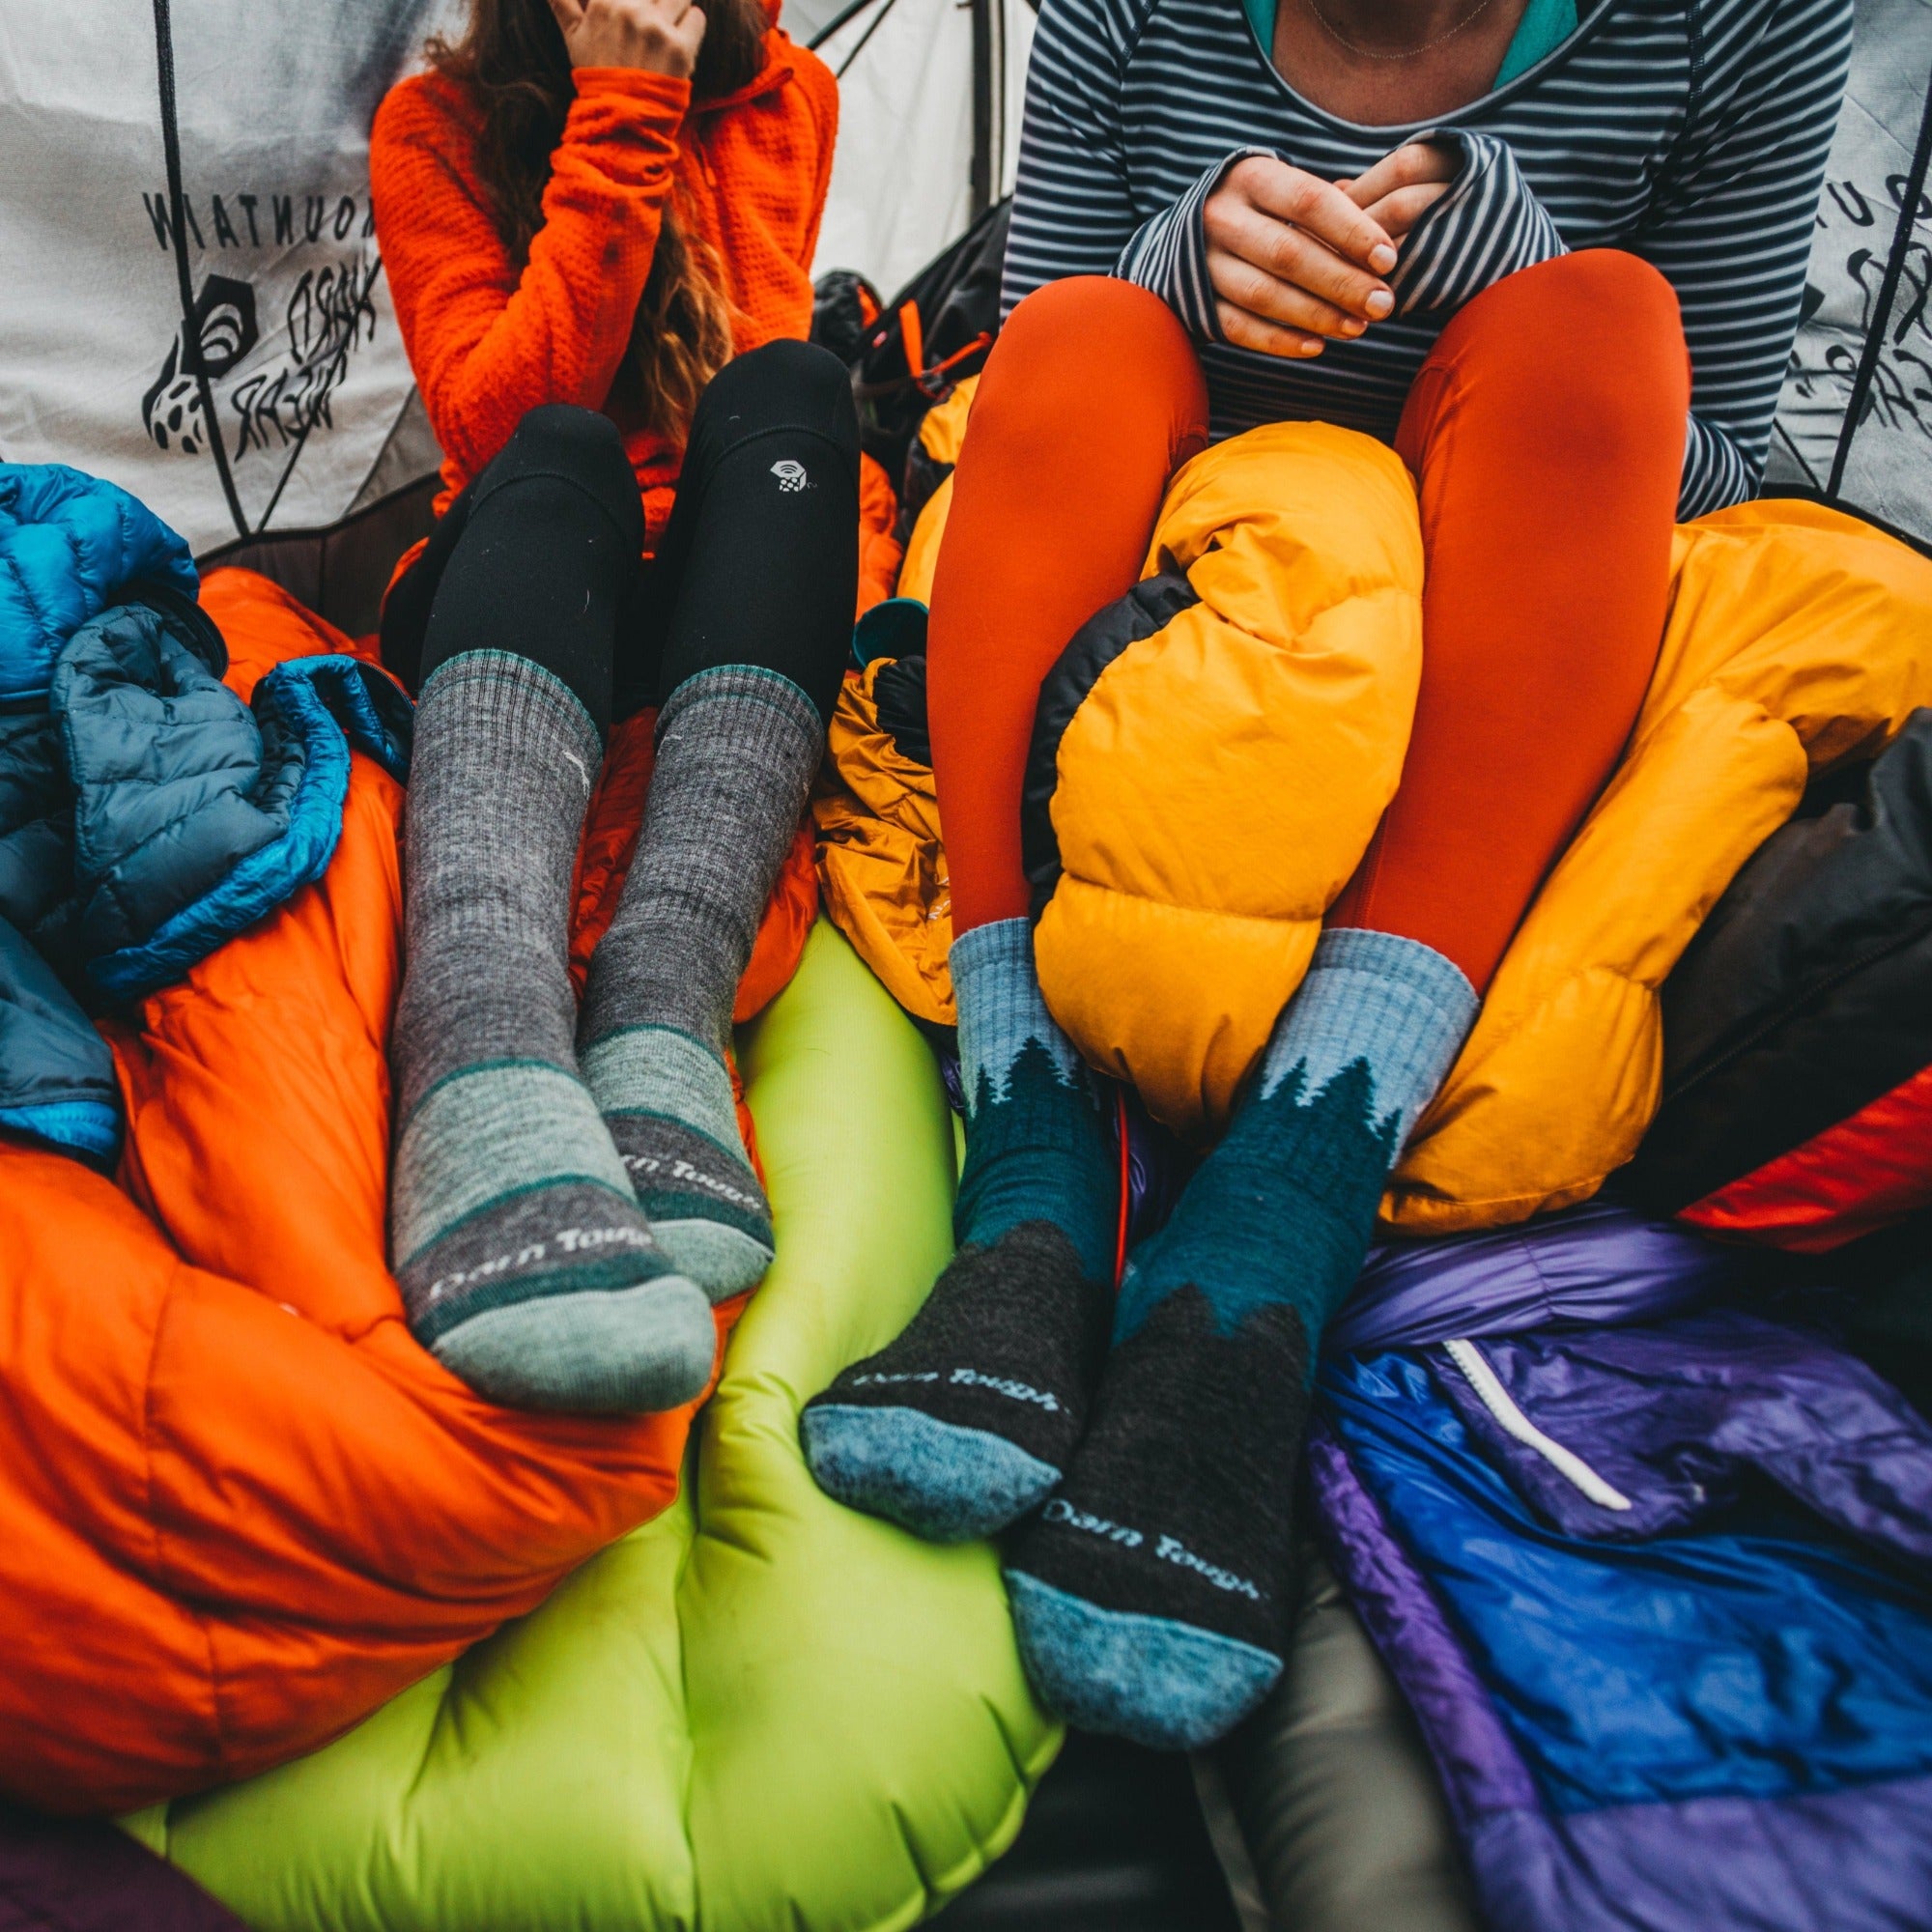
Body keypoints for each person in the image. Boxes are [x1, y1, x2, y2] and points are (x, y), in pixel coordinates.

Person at [803, 0, 1854, 1744]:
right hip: (1179, 644)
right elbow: (1019, 374)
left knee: (1603, 316)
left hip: (1498, 677)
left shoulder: (1737, 25)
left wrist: (1514, 264)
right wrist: (1184, 267)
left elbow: (1737, 477)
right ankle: (1035, 1155)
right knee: (1078, 329)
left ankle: (1279, 1219)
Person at [369, 0, 856, 1417]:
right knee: (566, 451)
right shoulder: (435, 126)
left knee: (797, 390)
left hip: (698, 606)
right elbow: (487, 428)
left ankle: (661, 1008)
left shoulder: (791, 99)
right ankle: (482, 1031)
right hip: (523, 569)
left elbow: (739, 429)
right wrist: (621, 118)